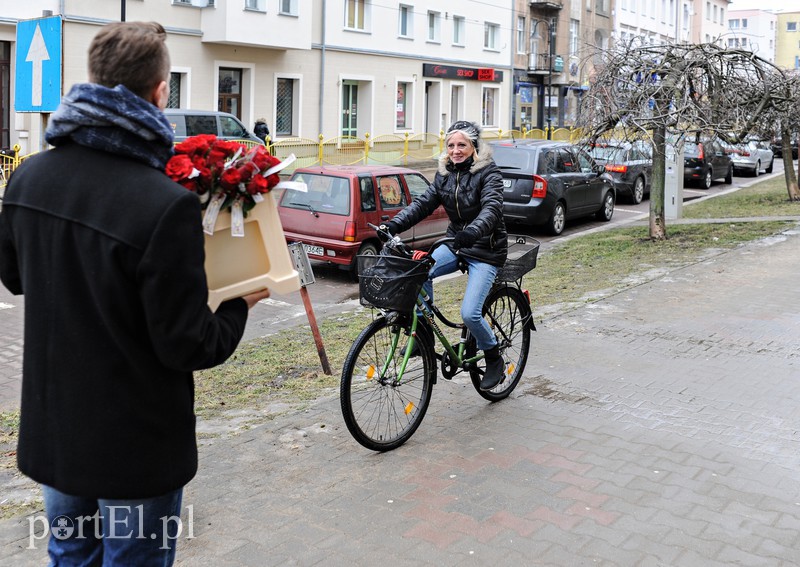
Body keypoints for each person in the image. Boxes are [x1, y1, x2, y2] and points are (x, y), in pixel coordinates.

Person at [0, 22, 270, 566]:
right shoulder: (162, 205)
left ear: (95, 79)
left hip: (58, 434)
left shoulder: (28, 179)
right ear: (159, 91)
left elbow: (17, 279)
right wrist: (240, 305)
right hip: (132, 448)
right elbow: (188, 344)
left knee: (70, 558)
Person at [380, 120, 508, 391]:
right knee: (420, 271)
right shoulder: (444, 174)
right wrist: (393, 225)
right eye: (450, 145)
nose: (455, 150)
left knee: (470, 314)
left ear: (474, 147)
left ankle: (494, 357)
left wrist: (472, 232)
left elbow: (492, 208)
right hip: (456, 243)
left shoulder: (489, 173)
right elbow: (423, 204)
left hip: (485, 249)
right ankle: (423, 333)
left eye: (462, 145)